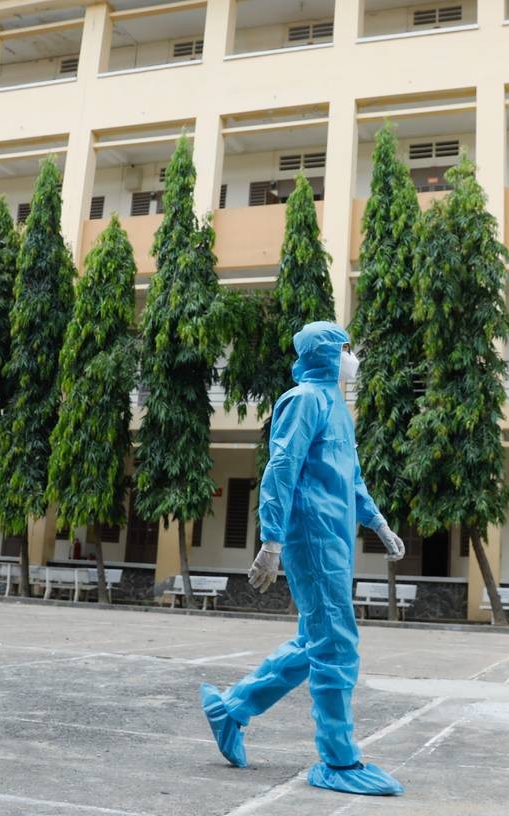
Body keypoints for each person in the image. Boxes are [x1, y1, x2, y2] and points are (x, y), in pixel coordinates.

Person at [199, 322, 407, 796]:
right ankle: (339, 758)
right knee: (336, 643)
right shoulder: (304, 400)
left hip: (335, 538)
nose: (353, 358)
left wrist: (378, 523)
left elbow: (350, 476)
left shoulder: (338, 409)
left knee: (314, 641)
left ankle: (231, 709)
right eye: (346, 349)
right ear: (327, 355)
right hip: (310, 536)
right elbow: (281, 468)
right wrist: (271, 541)